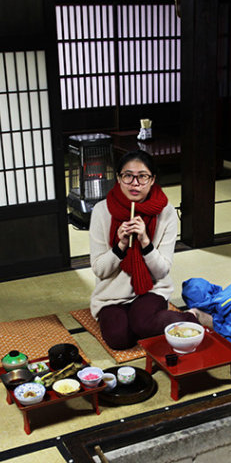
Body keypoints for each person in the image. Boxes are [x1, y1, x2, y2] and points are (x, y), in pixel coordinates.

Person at [88, 150, 202, 350]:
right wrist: (121, 245)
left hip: (151, 288)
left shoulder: (166, 212)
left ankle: (192, 316)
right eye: (128, 176)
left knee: (142, 324)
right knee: (119, 339)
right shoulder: (102, 210)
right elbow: (99, 270)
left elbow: (161, 271)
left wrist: (146, 242)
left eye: (142, 176)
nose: (135, 183)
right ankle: (147, 321)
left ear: (152, 179)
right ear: (118, 178)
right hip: (111, 294)